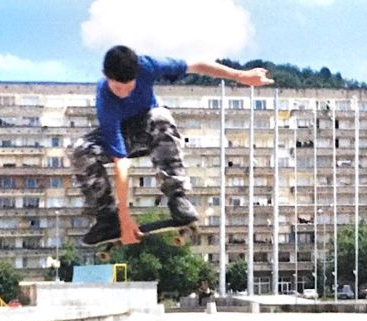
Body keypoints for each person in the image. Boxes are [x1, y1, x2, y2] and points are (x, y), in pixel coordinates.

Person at [72, 45, 274, 246]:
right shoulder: (105, 98)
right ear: (106, 76)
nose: (124, 93)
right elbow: (121, 163)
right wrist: (124, 218)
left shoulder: (147, 66)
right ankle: (107, 218)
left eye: (130, 87)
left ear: (137, 73)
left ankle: (177, 197)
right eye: (118, 88)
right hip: (122, 137)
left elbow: (196, 65)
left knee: (160, 115)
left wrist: (240, 76)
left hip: (150, 131)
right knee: (81, 149)